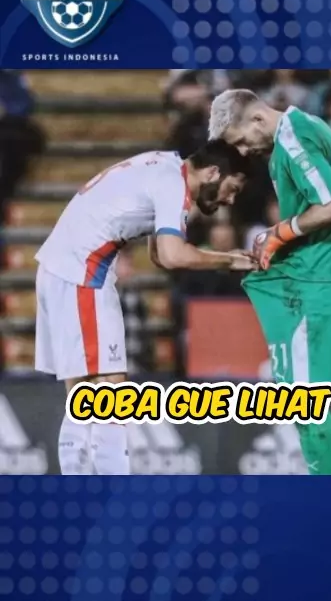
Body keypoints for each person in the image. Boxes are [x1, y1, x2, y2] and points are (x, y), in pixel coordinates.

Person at [34, 141, 255, 476]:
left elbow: (158, 255)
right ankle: (110, 490)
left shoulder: (165, 167)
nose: (230, 199)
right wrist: (230, 259)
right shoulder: (173, 184)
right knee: (109, 390)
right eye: (232, 188)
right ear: (213, 172)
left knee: (85, 392)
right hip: (82, 272)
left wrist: (223, 258)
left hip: (62, 266)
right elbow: (172, 255)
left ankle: (83, 489)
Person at [209, 89, 331, 476]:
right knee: (300, 403)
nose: (243, 151)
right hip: (312, 277)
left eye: (241, 140)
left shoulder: (294, 136)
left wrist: (280, 232)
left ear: (258, 119)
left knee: (307, 406)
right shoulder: (297, 134)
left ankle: (327, 500)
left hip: (316, 281)